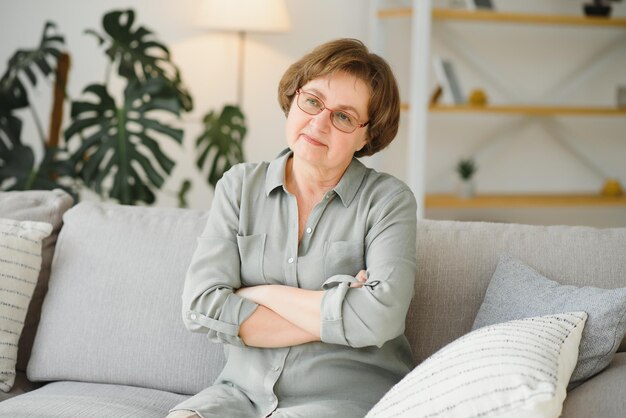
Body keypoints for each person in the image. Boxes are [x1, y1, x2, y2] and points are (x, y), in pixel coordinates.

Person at [168, 38, 417, 418]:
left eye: (344, 116)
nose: (319, 123)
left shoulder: (388, 201)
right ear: (294, 97)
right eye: (313, 101)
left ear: (367, 135)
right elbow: (200, 305)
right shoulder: (239, 187)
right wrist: (340, 312)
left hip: (344, 399)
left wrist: (259, 293)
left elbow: (380, 318)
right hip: (239, 395)